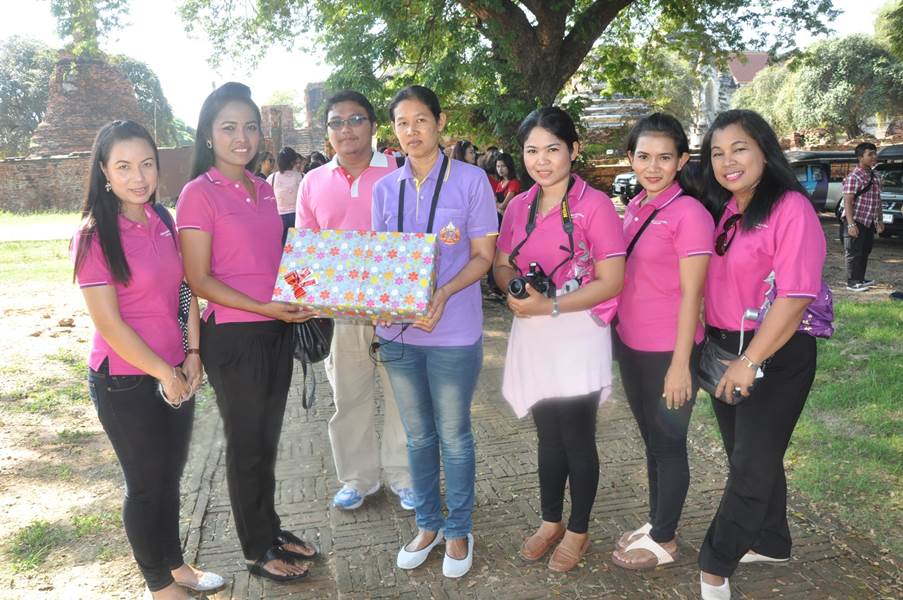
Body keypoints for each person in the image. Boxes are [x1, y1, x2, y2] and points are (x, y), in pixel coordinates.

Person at [71, 120, 224, 600]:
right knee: (144, 484)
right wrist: (164, 372)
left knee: (170, 477)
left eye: (146, 165)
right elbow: (110, 324)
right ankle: (159, 586)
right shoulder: (93, 237)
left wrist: (193, 353)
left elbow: (184, 291)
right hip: (124, 382)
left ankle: (177, 565)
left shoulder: (162, 218)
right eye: (123, 167)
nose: (138, 177)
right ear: (104, 171)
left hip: (177, 369)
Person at [176, 82, 317, 584]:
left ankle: (270, 527)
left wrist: (302, 294)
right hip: (235, 339)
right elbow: (198, 279)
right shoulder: (198, 194)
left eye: (250, 127)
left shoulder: (263, 188)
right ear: (208, 135)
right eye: (229, 127)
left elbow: (273, 261)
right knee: (246, 443)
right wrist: (262, 306)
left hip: (276, 330)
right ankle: (256, 548)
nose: (242, 137)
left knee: (267, 439)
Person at [695, 109, 825, 600]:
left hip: (775, 352)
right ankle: (771, 540)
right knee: (749, 457)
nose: (727, 161)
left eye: (739, 149)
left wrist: (750, 361)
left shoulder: (790, 208)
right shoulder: (728, 208)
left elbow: (795, 296)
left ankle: (714, 566)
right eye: (717, 153)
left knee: (750, 467)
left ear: (765, 152)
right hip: (727, 348)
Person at [372, 85, 497, 578]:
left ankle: (459, 528)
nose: (412, 131)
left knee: (454, 435)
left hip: (453, 332)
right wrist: (376, 303)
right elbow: (381, 262)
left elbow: (483, 257)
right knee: (418, 437)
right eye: (402, 123)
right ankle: (428, 524)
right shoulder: (386, 189)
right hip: (400, 336)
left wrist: (441, 294)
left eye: (420, 120)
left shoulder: (471, 181)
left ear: (440, 122)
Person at [493, 107, 626, 573]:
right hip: (533, 330)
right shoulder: (518, 206)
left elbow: (612, 280)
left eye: (552, 149)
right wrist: (513, 289)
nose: (542, 160)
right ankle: (551, 521)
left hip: (578, 331)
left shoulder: (596, 205)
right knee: (547, 434)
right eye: (532, 151)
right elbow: (502, 264)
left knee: (577, 436)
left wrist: (549, 305)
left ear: (574, 150)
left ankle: (578, 530)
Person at [295, 90, 414, 511]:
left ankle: (404, 477)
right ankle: (358, 479)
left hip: (395, 308)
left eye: (356, 119)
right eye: (337, 122)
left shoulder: (400, 172)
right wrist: (301, 300)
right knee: (348, 397)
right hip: (341, 313)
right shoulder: (313, 182)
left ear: (373, 126)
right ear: (327, 132)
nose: (346, 129)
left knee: (403, 397)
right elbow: (306, 249)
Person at [610, 113, 713, 571]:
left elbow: (694, 293)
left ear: (682, 160)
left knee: (669, 444)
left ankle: (666, 539)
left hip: (670, 351)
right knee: (652, 440)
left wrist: (680, 363)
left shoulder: (689, 214)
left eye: (665, 158)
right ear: (630, 158)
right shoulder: (637, 205)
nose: (653, 167)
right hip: (631, 344)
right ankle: (657, 522)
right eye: (644, 156)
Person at [841, 142, 883, 291]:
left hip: (869, 221)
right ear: (860, 157)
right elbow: (848, 201)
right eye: (870, 154)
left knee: (865, 250)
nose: (874, 157)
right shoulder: (854, 177)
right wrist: (851, 224)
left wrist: (879, 220)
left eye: (874, 153)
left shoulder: (876, 176)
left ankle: (860, 279)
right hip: (855, 219)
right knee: (853, 252)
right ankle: (852, 282)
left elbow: (877, 199)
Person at [268, 146, 303, 245]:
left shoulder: (272, 178)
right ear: (293, 162)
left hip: (278, 217)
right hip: (297, 216)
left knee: (280, 247)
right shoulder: (301, 177)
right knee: (295, 247)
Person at [494, 152, 521, 217]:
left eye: (503, 166)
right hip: (500, 217)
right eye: (498, 166)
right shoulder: (500, 183)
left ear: (509, 166)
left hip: (511, 218)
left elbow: (503, 205)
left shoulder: (514, 183)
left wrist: (496, 205)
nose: (500, 169)